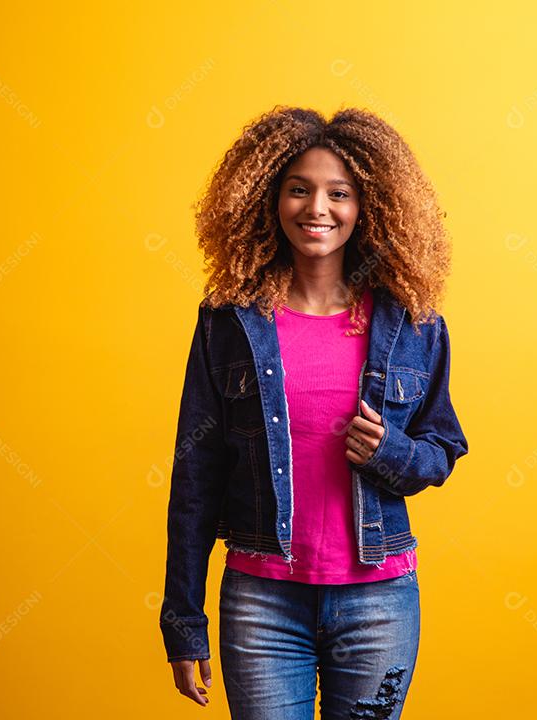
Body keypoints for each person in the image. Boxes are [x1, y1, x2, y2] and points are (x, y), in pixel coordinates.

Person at [160, 105, 469, 719]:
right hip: (261, 600)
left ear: (370, 205)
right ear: (268, 199)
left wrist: (392, 453)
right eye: (298, 190)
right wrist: (183, 620)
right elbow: (195, 475)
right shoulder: (229, 321)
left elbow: (442, 451)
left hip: (378, 600)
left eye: (339, 193)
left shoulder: (414, 324)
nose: (316, 209)